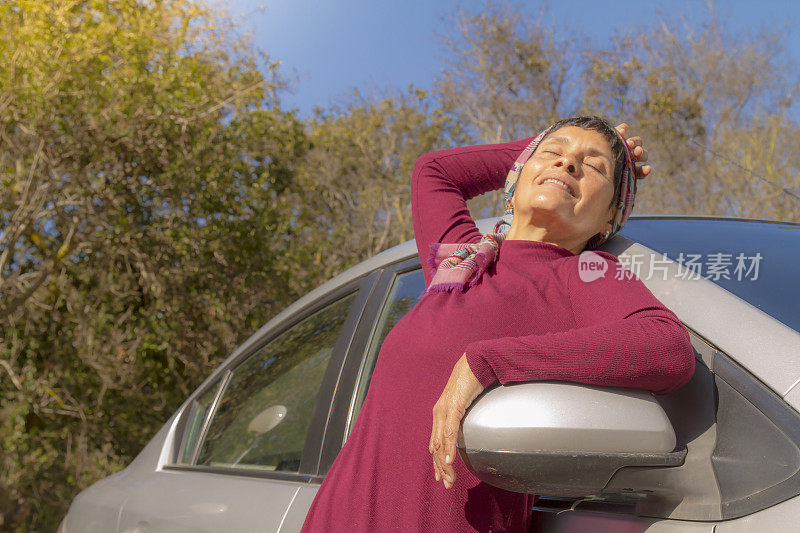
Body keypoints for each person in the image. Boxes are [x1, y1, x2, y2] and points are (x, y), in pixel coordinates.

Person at [301, 116, 696, 532]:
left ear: (609, 217)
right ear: (515, 180)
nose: (566, 165)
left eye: (593, 167)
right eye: (553, 156)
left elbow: (665, 347)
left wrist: (489, 361)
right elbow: (434, 171)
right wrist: (546, 146)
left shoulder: (586, 271)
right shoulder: (459, 262)